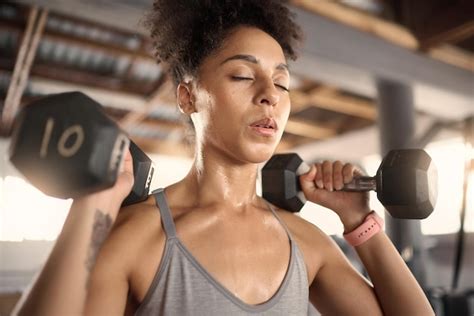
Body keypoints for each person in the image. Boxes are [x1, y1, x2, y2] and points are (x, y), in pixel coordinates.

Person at [14, 1, 434, 315]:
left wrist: (362, 222)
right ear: (187, 95)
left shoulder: (306, 242)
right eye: (242, 75)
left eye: (282, 83)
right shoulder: (138, 236)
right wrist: (94, 203)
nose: (269, 94)